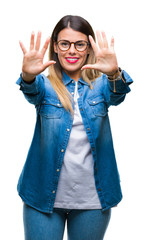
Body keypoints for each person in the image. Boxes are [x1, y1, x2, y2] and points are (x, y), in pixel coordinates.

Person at [17, 15, 133, 240]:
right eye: (65, 44)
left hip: (92, 200)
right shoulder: (44, 85)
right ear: (55, 47)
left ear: (89, 48)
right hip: (42, 195)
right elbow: (30, 91)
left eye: (79, 44)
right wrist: (28, 76)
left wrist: (113, 73)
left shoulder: (101, 86)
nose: (72, 51)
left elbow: (118, 95)